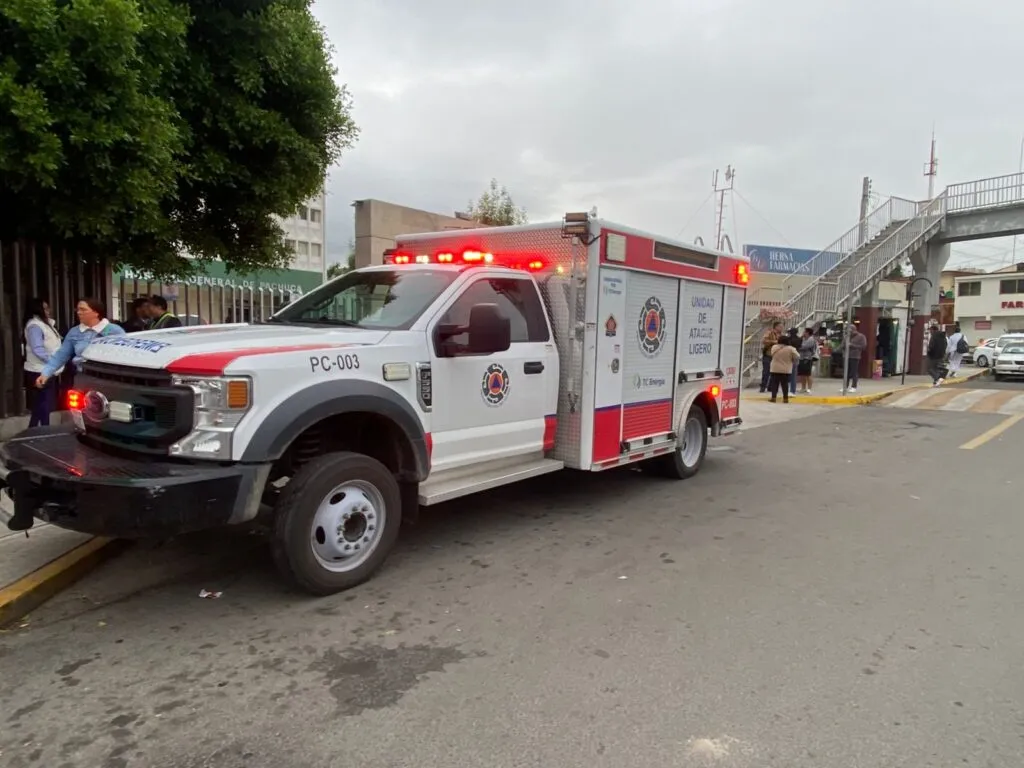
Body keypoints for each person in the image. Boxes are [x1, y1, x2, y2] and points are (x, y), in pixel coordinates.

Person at [36, 298, 126, 391]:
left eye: (83, 309)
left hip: (110, 378)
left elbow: (124, 354)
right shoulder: (74, 332)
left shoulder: (115, 330)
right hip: (83, 376)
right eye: (78, 309)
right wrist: (46, 374)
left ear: (96, 312)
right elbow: (61, 355)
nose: (79, 312)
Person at [22, 298, 64, 427]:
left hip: (46, 369)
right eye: (45, 308)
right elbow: (38, 349)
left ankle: (33, 430)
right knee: (43, 404)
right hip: (39, 370)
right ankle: (44, 430)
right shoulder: (35, 325)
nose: (48, 311)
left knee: (41, 404)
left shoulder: (45, 325)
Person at [768, 338, 800, 404]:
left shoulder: (774, 347)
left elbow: (771, 354)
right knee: (784, 385)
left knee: (774, 384)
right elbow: (797, 356)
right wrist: (792, 359)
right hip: (786, 369)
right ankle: (785, 399)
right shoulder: (791, 348)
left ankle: (773, 398)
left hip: (775, 368)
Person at [842, 323, 867, 393]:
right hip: (846, 356)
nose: (847, 331)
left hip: (855, 356)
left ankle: (854, 386)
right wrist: (843, 345)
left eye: (848, 329)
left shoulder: (861, 336)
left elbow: (863, 347)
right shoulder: (847, 336)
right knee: (845, 372)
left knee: (854, 372)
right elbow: (842, 345)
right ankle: (845, 386)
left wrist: (852, 345)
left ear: (853, 329)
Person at [760, 321, 783, 393]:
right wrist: (775, 342)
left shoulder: (781, 335)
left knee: (774, 372)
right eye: (780, 327)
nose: (782, 328)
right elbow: (764, 341)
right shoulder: (769, 333)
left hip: (776, 356)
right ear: (776, 327)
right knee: (766, 372)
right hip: (768, 355)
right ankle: (763, 387)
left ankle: (771, 387)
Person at [926, 321, 947, 387]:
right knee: (937, 369)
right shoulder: (943, 336)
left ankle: (938, 378)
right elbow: (946, 345)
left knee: (930, 369)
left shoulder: (934, 336)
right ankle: (936, 382)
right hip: (941, 355)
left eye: (930, 330)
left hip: (934, 356)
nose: (930, 332)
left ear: (933, 330)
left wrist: (929, 352)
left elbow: (931, 346)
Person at [797, 327, 818, 394]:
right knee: (802, 374)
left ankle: (809, 388)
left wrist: (798, 346)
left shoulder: (811, 339)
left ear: (808, 333)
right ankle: (803, 388)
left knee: (808, 374)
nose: (803, 333)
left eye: (804, 332)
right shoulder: (803, 339)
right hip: (801, 357)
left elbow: (804, 347)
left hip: (808, 358)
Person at [785, 327, 800, 397]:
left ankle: (787, 390)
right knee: (793, 375)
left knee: (786, 375)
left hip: (788, 357)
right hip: (795, 357)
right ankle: (792, 391)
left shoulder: (788, 339)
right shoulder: (799, 339)